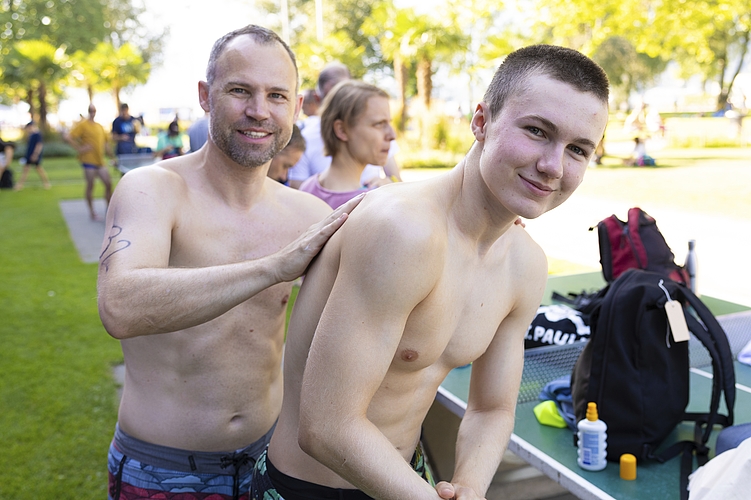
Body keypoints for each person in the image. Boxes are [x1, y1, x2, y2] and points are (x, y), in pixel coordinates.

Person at [252, 44, 610, 500]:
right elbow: (325, 426)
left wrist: (470, 487)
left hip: (406, 477)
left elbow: (492, 409)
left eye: (578, 149)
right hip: (308, 489)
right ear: (481, 122)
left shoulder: (525, 264)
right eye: (537, 131)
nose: (553, 166)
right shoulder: (402, 231)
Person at [97, 25, 363, 500]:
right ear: (205, 96)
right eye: (240, 90)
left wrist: (478, 221)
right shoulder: (153, 190)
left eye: (277, 96)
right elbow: (120, 306)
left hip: (273, 461)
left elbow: (370, 302)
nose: (259, 111)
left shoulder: (308, 216)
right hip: (166, 468)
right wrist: (273, 268)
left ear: (297, 107)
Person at [287, 62, 401, 189]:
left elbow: (397, 180)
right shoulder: (305, 140)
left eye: (346, 91)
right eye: (378, 124)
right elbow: (298, 193)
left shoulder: (381, 138)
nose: (391, 135)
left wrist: (390, 186)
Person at [299, 80, 396, 209]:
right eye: (378, 124)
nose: (392, 135)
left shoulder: (307, 190)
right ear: (342, 130)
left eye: (389, 123)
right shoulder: (374, 206)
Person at [65, 104, 113, 220]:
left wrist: (112, 156)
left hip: (100, 161)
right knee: (91, 185)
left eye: (94, 110)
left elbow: (106, 143)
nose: (93, 112)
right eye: (91, 110)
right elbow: (68, 137)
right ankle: (92, 212)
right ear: (88, 111)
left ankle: (109, 209)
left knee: (108, 183)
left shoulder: (99, 127)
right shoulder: (83, 125)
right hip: (88, 160)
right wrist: (80, 148)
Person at [14, 121, 51, 190]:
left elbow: (39, 145)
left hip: (34, 155)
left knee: (38, 169)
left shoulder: (37, 134)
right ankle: (20, 185)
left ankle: (46, 183)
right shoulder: (31, 135)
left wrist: (35, 154)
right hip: (29, 154)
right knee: (27, 169)